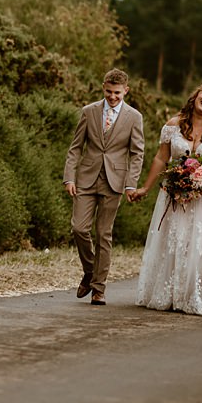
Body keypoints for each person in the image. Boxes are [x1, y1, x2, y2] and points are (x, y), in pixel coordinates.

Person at [129, 83, 202, 317]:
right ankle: (171, 294)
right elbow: (161, 157)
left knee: (201, 246)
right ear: (195, 96)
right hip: (175, 194)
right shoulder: (174, 124)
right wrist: (145, 188)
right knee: (175, 241)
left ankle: (196, 294)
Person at [63, 68, 145, 305]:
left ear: (126, 90)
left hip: (115, 181)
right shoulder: (89, 111)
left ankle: (99, 287)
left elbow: (137, 153)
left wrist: (131, 184)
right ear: (103, 87)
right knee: (79, 228)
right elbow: (75, 147)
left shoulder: (134, 117)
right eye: (109, 92)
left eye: (117, 93)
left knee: (103, 234)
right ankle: (90, 271)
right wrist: (69, 177)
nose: (112, 97)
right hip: (86, 178)